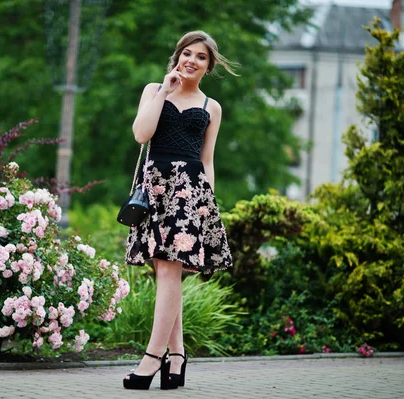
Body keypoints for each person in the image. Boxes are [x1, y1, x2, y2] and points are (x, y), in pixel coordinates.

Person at [123, 30, 236, 390]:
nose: (192, 60)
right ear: (177, 57)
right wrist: (164, 91)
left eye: (200, 57)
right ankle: (176, 357)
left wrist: (207, 207)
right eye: (187, 53)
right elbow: (142, 134)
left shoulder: (211, 107)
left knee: (170, 273)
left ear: (209, 65)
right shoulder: (153, 90)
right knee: (164, 273)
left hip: (190, 193)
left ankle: (152, 359)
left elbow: (208, 160)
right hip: (155, 189)